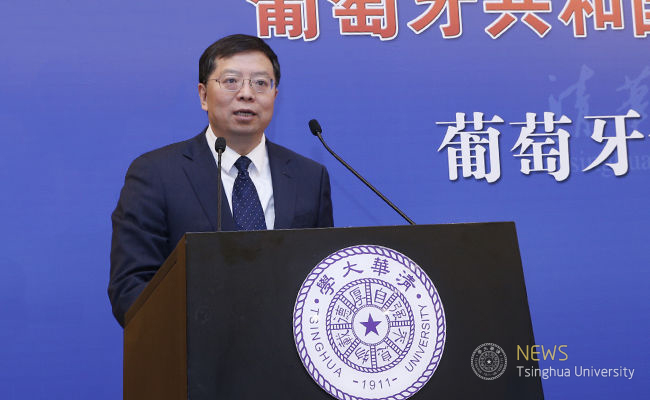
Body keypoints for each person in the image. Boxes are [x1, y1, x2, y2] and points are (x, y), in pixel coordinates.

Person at [108, 34, 334, 327]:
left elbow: (322, 278)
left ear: (275, 95)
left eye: (260, 83)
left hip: (287, 349)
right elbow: (132, 287)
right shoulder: (156, 173)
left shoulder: (309, 177)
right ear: (203, 95)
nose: (247, 94)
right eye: (231, 81)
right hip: (195, 349)